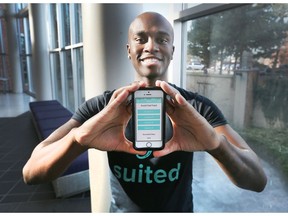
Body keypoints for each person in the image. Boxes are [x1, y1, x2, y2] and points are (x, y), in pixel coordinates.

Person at [22, 12, 267, 212]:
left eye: (162, 39)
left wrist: (216, 145)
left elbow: (257, 180)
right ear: (129, 50)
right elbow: (31, 173)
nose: (151, 46)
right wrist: (77, 141)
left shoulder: (197, 107)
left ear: (173, 49)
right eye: (141, 39)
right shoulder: (103, 107)